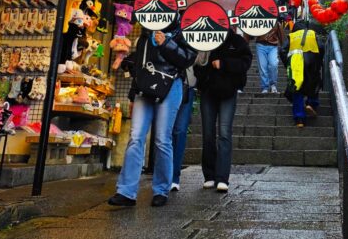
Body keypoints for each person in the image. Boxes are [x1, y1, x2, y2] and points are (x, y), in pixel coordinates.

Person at [108, 22, 196, 208]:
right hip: (144, 86)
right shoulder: (146, 32)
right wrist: (133, 92)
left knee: (162, 139)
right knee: (135, 137)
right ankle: (126, 191)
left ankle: (161, 190)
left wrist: (167, 43)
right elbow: (140, 65)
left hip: (170, 85)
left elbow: (188, 59)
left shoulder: (181, 30)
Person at [195, 31, 252, 192]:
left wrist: (224, 64)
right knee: (208, 133)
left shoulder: (236, 40)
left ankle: (222, 177)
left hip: (228, 91)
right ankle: (209, 175)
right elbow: (197, 63)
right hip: (208, 90)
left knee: (225, 133)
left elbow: (246, 62)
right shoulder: (206, 37)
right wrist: (204, 78)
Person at [286, 20, 322, 129]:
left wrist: (288, 64)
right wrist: (318, 62)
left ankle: (299, 119)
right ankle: (311, 104)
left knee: (297, 89)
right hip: (311, 63)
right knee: (314, 84)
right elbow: (321, 47)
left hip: (296, 65)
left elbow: (282, 50)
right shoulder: (312, 34)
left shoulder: (291, 36)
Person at [170, 65, 198, 192]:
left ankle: (174, 176)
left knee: (180, 130)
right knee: (165, 131)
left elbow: (201, 60)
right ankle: (164, 174)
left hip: (186, 84)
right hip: (165, 80)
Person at [255, 20, 286, 94]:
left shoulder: (277, 23)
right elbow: (251, 31)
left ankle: (273, 84)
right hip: (260, 44)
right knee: (262, 66)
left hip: (273, 45)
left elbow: (281, 36)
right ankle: (265, 86)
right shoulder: (258, 20)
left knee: (273, 64)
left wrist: (284, 47)